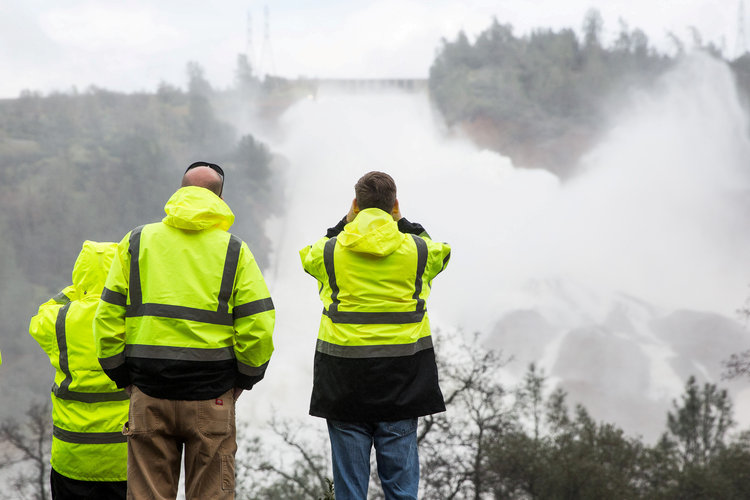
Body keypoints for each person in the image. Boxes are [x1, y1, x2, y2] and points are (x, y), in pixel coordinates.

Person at [93, 161, 276, 500]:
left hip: (148, 393)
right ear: (220, 199)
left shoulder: (137, 242)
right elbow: (258, 326)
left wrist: (123, 377)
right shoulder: (234, 250)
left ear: (180, 191)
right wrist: (244, 380)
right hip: (212, 396)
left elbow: (106, 319)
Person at [299, 171, 451, 499]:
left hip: (343, 382)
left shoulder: (329, 253)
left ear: (355, 205)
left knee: (350, 490)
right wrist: (402, 221)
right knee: (401, 489)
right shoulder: (420, 251)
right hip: (403, 381)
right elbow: (439, 250)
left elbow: (312, 252)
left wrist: (346, 223)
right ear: (394, 205)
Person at [29, 240, 128, 500]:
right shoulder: (131, 318)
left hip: (71, 456)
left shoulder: (58, 319)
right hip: (125, 456)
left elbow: (41, 314)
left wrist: (76, 291)